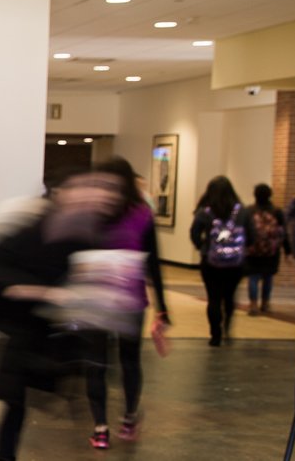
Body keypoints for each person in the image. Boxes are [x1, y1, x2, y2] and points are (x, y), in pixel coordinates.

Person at [0, 169, 127, 461]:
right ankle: (5, 455)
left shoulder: (87, 235)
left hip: (47, 332)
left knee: (32, 399)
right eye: (89, 190)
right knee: (16, 402)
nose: (99, 198)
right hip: (20, 328)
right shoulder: (33, 229)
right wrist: (45, 293)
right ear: (63, 194)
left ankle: (8, 453)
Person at [82, 158, 170, 449]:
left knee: (96, 364)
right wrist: (162, 307)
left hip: (96, 299)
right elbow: (153, 264)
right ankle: (130, 418)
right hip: (131, 300)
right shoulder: (142, 213)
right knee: (130, 360)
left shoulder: (90, 212)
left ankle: (100, 428)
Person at [191, 176, 246, 346]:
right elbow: (250, 233)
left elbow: (194, 233)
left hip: (210, 262)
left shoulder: (204, 212)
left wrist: (203, 247)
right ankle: (227, 326)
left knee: (213, 297)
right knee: (229, 297)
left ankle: (215, 335)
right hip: (235, 263)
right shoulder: (241, 210)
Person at [242, 183, 288, 315]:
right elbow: (283, 232)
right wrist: (287, 250)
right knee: (268, 277)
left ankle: (253, 304)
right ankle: (266, 303)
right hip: (271, 251)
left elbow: (243, 231)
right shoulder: (277, 211)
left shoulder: (249, 211)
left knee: (253, 278)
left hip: (252, 250)